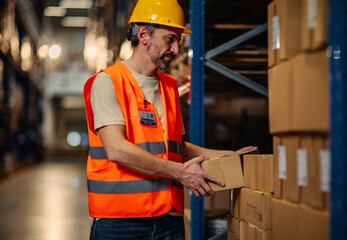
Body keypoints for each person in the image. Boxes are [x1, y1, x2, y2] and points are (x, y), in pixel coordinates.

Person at [83, 0, 257, 239]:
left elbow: (176, 148)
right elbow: (117, 150)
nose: (176, 50)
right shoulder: (108, 82)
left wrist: (226, 156)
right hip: (120, 223)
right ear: (143, 35)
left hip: (168, 221)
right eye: (170, 39)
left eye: (178, 42)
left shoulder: (169, 87)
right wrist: (180, 173)